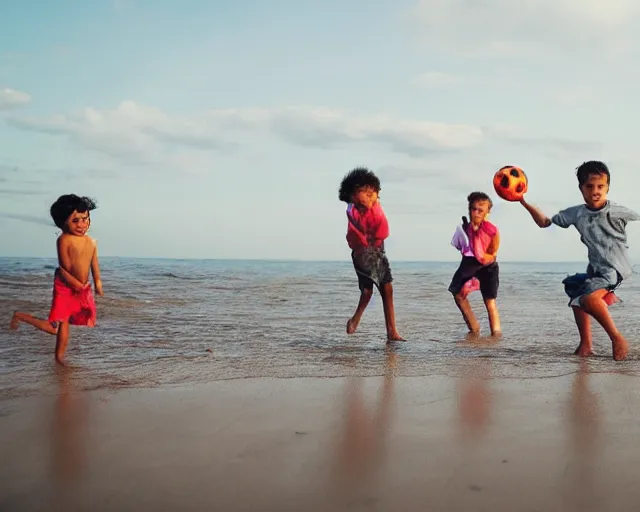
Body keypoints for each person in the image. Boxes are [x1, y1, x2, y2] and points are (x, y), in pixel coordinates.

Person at [520, 160, 639, 360]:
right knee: (576, 295)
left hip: (615, 268)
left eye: (601, 186)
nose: (595, 191)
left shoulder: (616, 211)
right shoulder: (576, 213)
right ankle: (586, 345)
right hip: (596, 269)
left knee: (588, 299)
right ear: (581, 189)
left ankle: (617, 338)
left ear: (608, 187)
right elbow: (545, 223)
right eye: (590, 186)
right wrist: (523, 202)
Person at [10, 194, 103, 365]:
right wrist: (75, 284)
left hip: (81, 287)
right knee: (62, 324)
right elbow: (64, 267)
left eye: (85, 219)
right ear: (63, 222)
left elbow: (94, 263)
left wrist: (97, 281)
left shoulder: (91, 242)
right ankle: (59, 357)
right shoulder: (64, 240)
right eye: (75, 221)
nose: (82, 224)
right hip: (66, 285)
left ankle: (20, 316)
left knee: (58, 327)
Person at [338, 167, 404, 341]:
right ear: (352, 196)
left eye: (373, 193)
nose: (370, 197)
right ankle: (356, 318)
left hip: (378, 250)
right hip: (362, 252)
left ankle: (392, 331)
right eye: (364, 194)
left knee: (387, 289)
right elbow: (368, 230)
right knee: (368, 291)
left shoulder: (373, 207)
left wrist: (374, 204)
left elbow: (383, 231)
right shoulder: (353, 211)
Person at [449, 192, 501, 336]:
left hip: (487, 265)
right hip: (469, 263)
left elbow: (493, 252)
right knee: (457, 293)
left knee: (490, 301)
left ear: (487, 212)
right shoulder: (464, 228)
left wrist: (483, 256)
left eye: (480, 210)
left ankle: (496, 335)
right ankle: (474, 328)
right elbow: (460, 246)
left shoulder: (492, 230)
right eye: (473, 209)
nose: (476, 213)